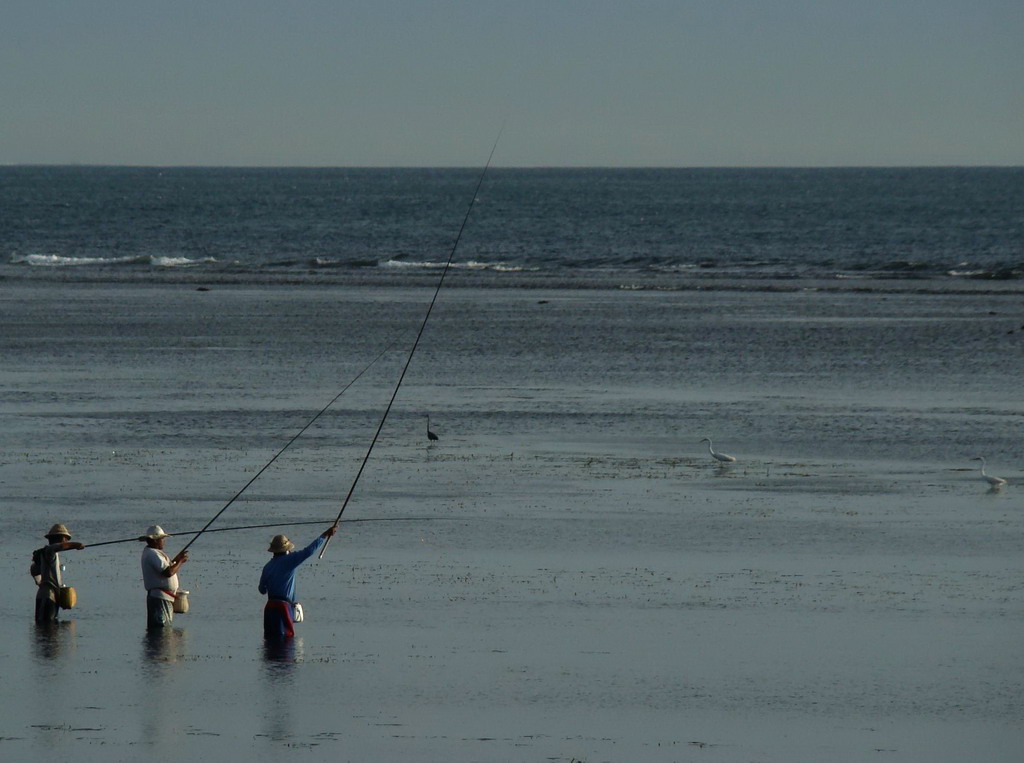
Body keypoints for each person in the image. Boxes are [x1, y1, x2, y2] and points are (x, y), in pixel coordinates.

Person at [258, 525, 337, 639]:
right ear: (286, 550)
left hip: (269, 608)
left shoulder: (267, 566)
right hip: (283, 607)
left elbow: (262, 590)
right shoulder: (290, 560)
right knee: (285, 641)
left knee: (270, 640)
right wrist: (325, 535)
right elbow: (308, 551)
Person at [30, 523, 85, 624]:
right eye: (66, 538)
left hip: (49, 595)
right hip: (47, 596)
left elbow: (34, 570)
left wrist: (39, 583)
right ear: (61, 538)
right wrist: (76, 545)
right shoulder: (49, 551)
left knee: (48, 627)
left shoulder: (46, 554)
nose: (67, 541)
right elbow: (60, 546)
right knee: (45, 624)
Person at [139, 525, 188, 630]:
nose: (164, 541)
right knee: (161, 629)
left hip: (162, 598)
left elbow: (167, 568)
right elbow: (168, 572)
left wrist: (177, 559)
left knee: (163, 630)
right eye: (162, 539)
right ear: (156, 540)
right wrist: (180, 562)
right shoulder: (153, 554)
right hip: (160, 599)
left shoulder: (153, 553)